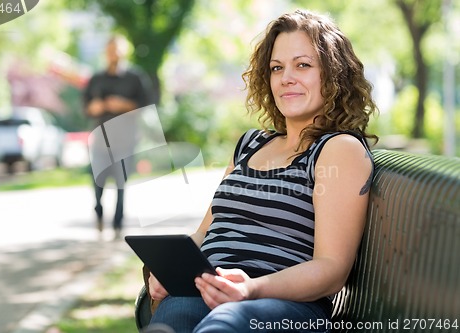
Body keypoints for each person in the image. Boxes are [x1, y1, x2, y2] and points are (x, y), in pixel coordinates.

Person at [143, 8, 379, 333]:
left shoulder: (337, 149)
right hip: (208, 288)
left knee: (223, 324)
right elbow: (205, 231)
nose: (286, 78)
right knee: (171, 325)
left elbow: (331, 269)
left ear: (334, 74)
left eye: (303, 65)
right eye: (277, 68)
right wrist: (169, 268)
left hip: (280, 304)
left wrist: (250, 289)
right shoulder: (250, 144)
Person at [83, 35, 153, 239]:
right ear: (106, 52)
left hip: (126, 139)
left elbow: (147, 105)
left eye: (117, 49)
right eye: (110, 49)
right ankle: (98, 211)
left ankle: (117, 225)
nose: (113, 53)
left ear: (124, 51)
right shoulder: (96, 79)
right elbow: (85, 107)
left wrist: (124, 105)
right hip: (101, 139)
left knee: (122, 183)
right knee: (97, 181)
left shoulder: (135, 78)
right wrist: (94, 107)